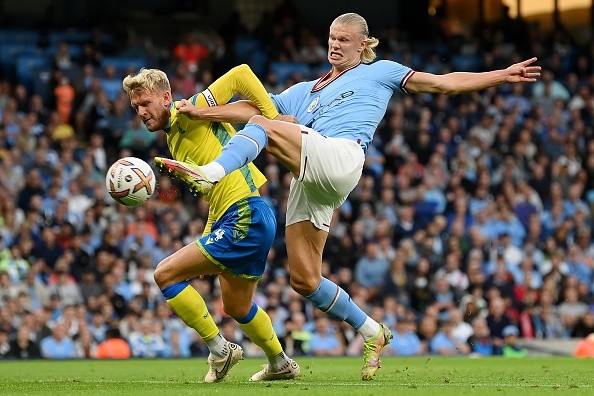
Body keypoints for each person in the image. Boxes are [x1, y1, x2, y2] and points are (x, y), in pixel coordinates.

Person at [162, 12, 540, 380]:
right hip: (309, 177)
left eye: (343, 39)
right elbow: (253, 108)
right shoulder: (304, 92)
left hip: (341, 155)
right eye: (331, 38)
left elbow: (444, 82)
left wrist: (501, 76)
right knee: (305, 280)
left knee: (263, 124)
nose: (335, 45)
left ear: (364, 44)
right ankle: (373, 331)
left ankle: (211, 172)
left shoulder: (381, 71)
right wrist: (202, 112)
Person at [122, 64, 299, 382]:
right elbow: (215, 200)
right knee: (236, 306)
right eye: (136, 107)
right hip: (251, 215)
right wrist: (208, 233)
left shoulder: (191, 110)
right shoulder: (174, 139)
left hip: (245, 214)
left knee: (165, 274)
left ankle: (220, 349)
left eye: (145, 103)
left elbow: (242, 74)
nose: (141, 111)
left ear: (166, 97)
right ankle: (280, 362)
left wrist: (273, 121)